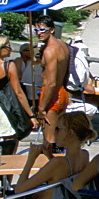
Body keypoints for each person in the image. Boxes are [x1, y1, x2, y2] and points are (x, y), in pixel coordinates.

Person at [33, 15, 70, 146]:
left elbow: (51, 82)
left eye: (43, 30)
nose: (39, 33)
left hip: (52, 94)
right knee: (59, 135)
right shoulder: (62, 45)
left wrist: (41, 108)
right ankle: (62, 161)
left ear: (52, 30)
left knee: (49, 139)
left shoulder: (50, 51)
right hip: (62, 92)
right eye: (36, 30)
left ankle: (53, 163)